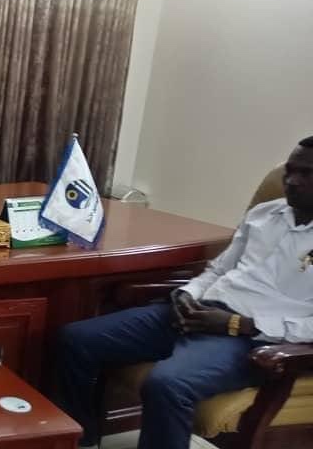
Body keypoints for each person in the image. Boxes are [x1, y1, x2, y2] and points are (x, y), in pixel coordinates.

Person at [54, 137, 313, 449]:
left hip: (251, 339)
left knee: (167, 384)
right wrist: (187, 294)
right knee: (76, 339)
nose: (292, 181)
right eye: (290, 171)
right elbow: (219, 268)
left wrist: (241, 325)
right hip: (197, 312)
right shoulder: (264, 214)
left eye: (306, 174)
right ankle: (80, 440)